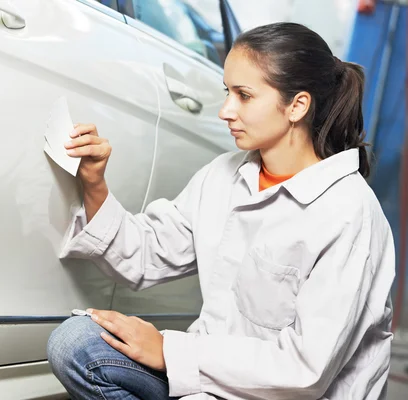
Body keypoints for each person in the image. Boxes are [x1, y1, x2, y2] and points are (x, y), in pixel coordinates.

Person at [46, 22, 396, 400]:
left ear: (297, 105)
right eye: (227, 92)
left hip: (291, 393)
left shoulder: (347, 212)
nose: (225, 111)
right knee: (77, 343)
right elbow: (144, 256)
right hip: (213, 382)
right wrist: (94, 183)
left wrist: (167, 350)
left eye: (244, 96)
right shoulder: (223, 177)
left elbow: (304, 372)